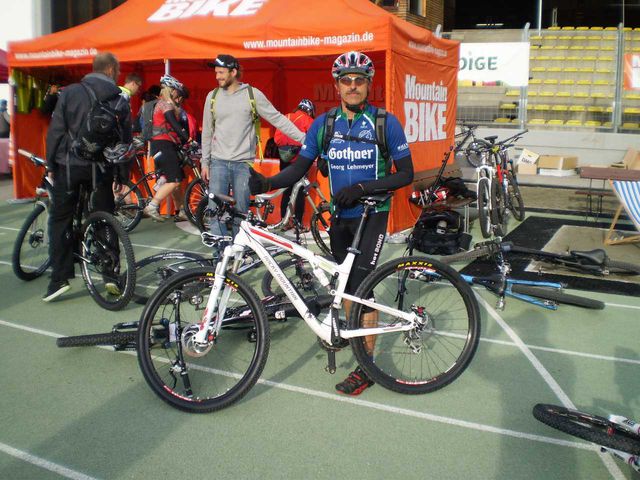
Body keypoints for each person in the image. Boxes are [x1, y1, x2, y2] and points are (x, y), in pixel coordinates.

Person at [249, 51, 414, 396]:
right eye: (346, 80)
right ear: (337, 85)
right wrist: (266, 183)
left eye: (359, 80)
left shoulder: (385, 123)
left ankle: (366, 366)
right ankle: (354, 333)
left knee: (361, 287)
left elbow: (406, 174)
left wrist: (363, 188)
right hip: (340, 216)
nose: (352, 86)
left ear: (368, 85)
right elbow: (299, 168)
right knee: (345, 284)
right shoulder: (324, 125)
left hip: (372, 213)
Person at [44, 52, 132, 302]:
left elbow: (56, 131)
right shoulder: (119, 98)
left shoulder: (70, 92)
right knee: (105, 218)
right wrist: (122, 174)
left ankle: (59, 279)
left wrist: (50, 163)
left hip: (69, 165)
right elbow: (124, 141)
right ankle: (110, 275)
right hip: (101, 169)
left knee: (60, 219)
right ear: (111, 69)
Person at [200, 54, 305, 243]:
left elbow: (278, 119)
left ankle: (239, 251)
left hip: (243, 164)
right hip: (218, 163)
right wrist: (205, 162)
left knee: (241, 214)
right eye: (216, 73)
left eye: (221, 73)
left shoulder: (252, 95)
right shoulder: (212, 97)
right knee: (215, 211)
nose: (217, 77)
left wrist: (304, 139)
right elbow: (207, 131)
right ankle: (221, 255)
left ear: (233, 72)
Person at [142, 74, 193, 222]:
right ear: (172, 90)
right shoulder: (165, 104)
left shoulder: (161, 104)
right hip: (163, 145)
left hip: (160, 146)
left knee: (175, 179)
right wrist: (187, 138)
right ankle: (152, 206)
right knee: (175, 180)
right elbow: (174, 124)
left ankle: (181, 210)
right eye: (177, 92)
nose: (179, 96)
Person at [274, 98, 315, 229]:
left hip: (284, 157)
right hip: (300, 159)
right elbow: (313, 140)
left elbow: (276, 139)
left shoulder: (285, 117)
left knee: (286, 190)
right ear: (309, 111)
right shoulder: (308, 120)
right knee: (300, 191)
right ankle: (298, 223)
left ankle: (284, 221)